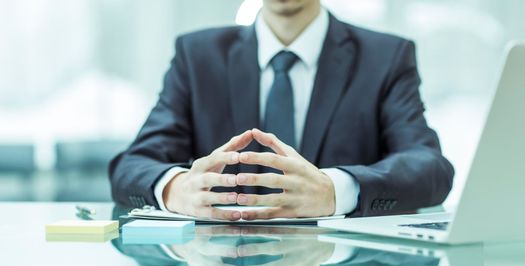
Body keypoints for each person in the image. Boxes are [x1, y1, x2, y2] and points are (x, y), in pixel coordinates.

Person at [109, 0, 454, 220]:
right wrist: (175, 189)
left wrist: (336, 191)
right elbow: (131, 165)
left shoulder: (386, 58)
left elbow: (429, 168)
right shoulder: (197, 56)